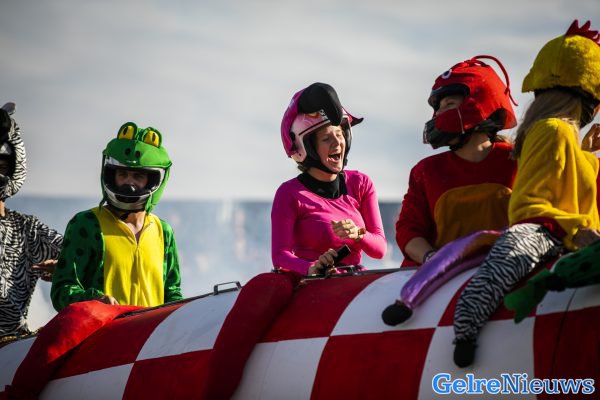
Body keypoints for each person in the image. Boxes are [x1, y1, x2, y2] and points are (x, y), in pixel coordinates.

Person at [453, 20, 600, 368]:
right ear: (587, 98)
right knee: (502, 269)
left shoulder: (559, 133)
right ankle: (466, 330)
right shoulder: (553, 131)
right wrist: (576, 230)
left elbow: (567, 180)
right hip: (544, 232)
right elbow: (529, 202)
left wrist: (585, 153)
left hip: (561, 232)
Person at [381, 56, 518, 326]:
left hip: (509, 283)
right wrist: (434, 260)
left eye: (448, 104)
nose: (438, 116)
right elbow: (408, 231)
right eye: (437, 108)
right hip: (441, 291)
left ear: (481, 104)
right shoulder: (426, 171)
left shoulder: (520, 160)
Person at [51, 122, 182, 311]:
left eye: (138, 176)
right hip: (106, 329)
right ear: (111, 175)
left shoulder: (164, 232)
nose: (129, 182)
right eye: (122, 174)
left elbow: (172, 293)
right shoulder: (86, 224)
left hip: (152, 331)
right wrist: (96, 300)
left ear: (153, 181)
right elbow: (62, 291)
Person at [272, 82, 386, 276]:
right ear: (306, 148)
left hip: (354, 281)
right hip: (313, 284)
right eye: (326, 138)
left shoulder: (361, 183)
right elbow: (280, 256)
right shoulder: (288, 193)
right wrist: (312, 267)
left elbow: (380, 249)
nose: (337, 143)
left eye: (340, 134)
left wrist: (358, 233)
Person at [0, 103, 63, 337]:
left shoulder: (26, 228)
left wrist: (64, 267)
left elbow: (79, 254)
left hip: (11, 346)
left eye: (2, 165)